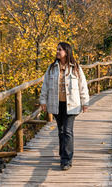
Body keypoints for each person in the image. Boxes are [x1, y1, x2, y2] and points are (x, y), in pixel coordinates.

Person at [39, 42, 89, 170]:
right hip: (56, 105)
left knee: (67, 131)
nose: (57, 51)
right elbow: (45, 86)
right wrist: (43, 101)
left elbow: (82, 85)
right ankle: (63, 154)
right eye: (57, 49)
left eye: (59, 50)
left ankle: (67, 160)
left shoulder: (76, 68)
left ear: (66, 52)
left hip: (71, 105)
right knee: (61, 131)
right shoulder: (51, 68)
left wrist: (85, 102)